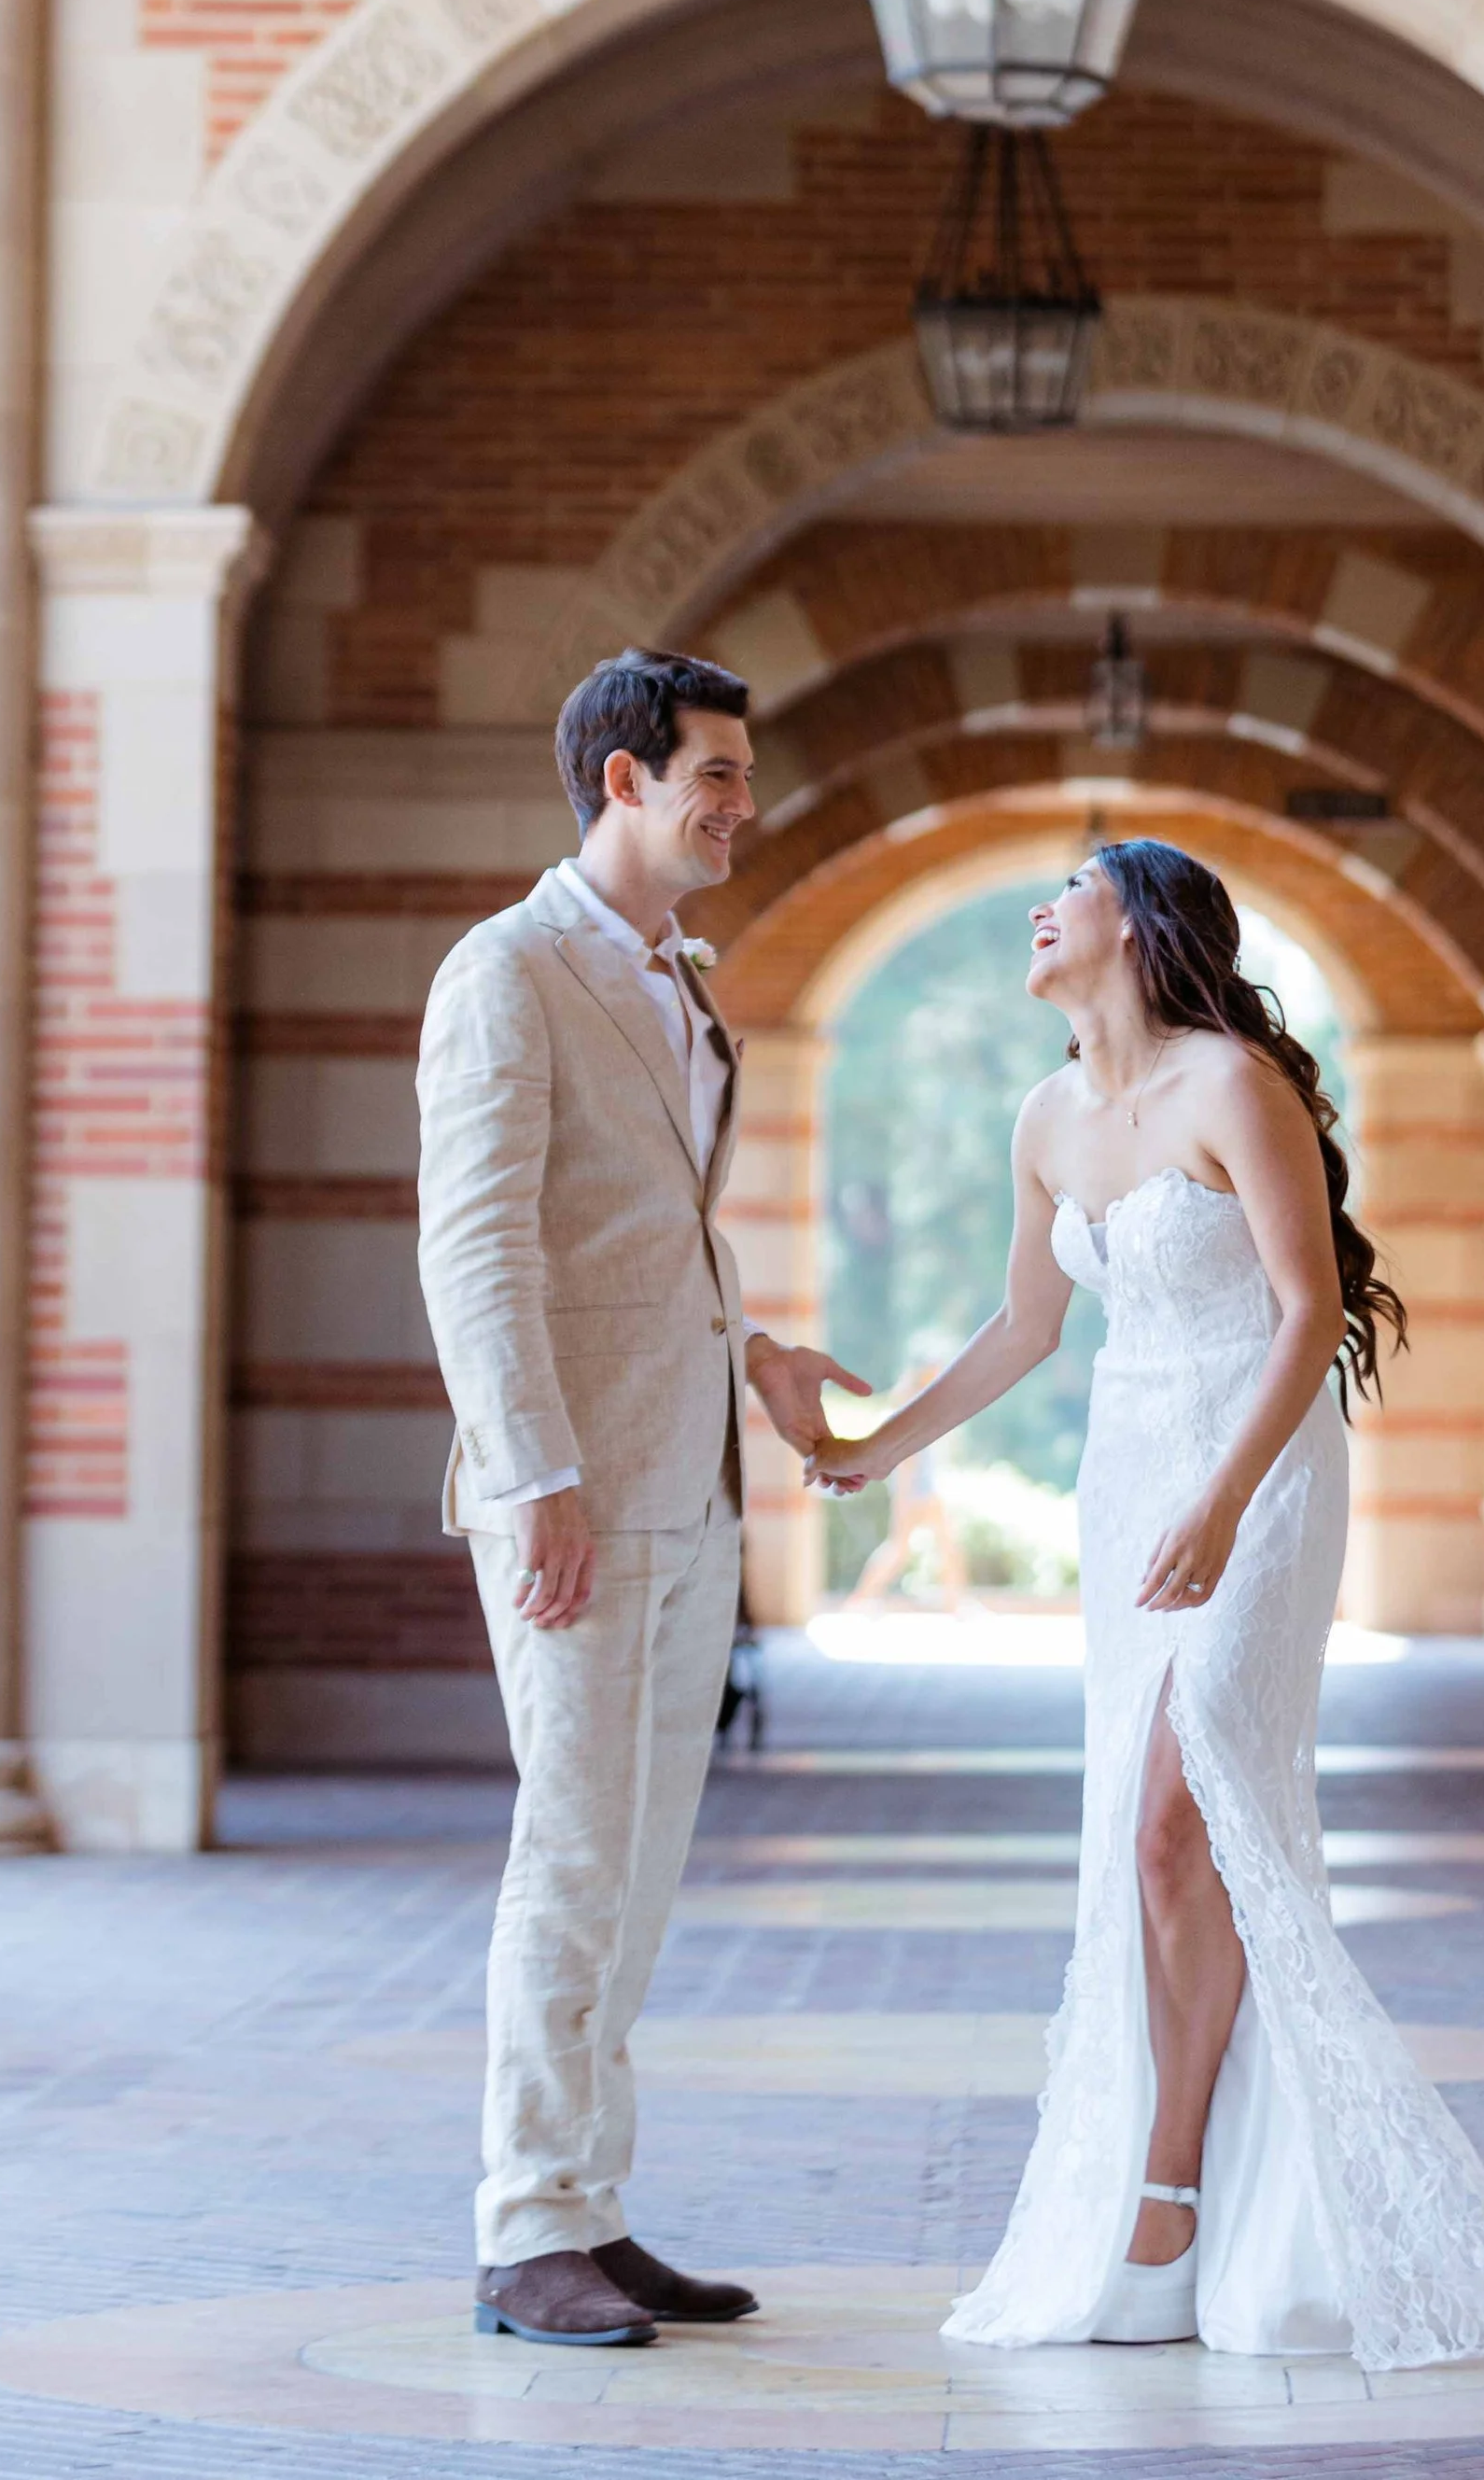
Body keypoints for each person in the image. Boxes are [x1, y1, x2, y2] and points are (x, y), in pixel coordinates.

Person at [806, 840, 1484, 2365]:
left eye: (1074, 884)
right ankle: (1204, 2184)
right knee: (1150, 1852)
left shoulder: (1235, 1085)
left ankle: (1168, 2190)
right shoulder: (1047, 1116)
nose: (1040, 903)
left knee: (1184, 1812)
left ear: (1143, 924)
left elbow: (1312, 1309)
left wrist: (1224, 1503)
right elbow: (1027, 1326)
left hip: (1259, 1472)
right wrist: (869, 1447)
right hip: (1124, 1483)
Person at [416, 647, 867, 2349]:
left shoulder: (681, 978)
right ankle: (525, 2222)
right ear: (624, 778)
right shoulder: (508, 971)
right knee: (575, 1851)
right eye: (721, 774)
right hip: (573, 1498)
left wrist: (755, 1353)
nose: (744, 804)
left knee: (643, 1865)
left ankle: (589, 2209)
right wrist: (532, 1474)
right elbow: (476, 1243)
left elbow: (641, 1230)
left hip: (690, 1477)